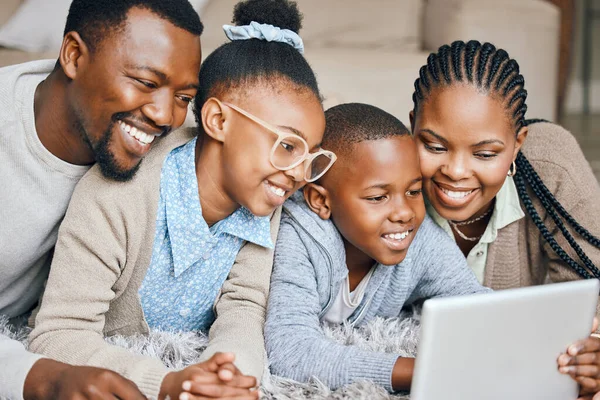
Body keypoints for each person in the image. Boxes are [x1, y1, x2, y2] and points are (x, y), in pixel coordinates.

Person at [29, 1, 334, 399]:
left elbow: (244, 306)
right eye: (287, 145)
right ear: (218, 121)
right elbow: (57, 334)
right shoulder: (117, 197)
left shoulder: (264, 197)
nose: (298, 172)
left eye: (311, 155)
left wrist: (228, 375)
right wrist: (163, 382)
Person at [0, 0, 203, 398]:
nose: (165, 117)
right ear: (74, 56)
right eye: (146, 82)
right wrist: (42, 378)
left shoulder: (166, 159)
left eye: (183, 97)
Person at [409, 40, 600, 398]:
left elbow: (591, 288)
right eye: (434, 146)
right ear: (412, 128)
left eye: (484, 153)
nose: (455, 171)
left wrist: (591, 349)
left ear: (518, 143)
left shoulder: (552, 167)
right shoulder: (385, 180)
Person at [265, 103, 490, 392]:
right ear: (321, 201)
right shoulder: (297, 238)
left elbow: (476, 303)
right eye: (377, 197)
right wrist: (424, 370)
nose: (404, 213)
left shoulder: (421, 239)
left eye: (413, 191)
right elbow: (291, 353)